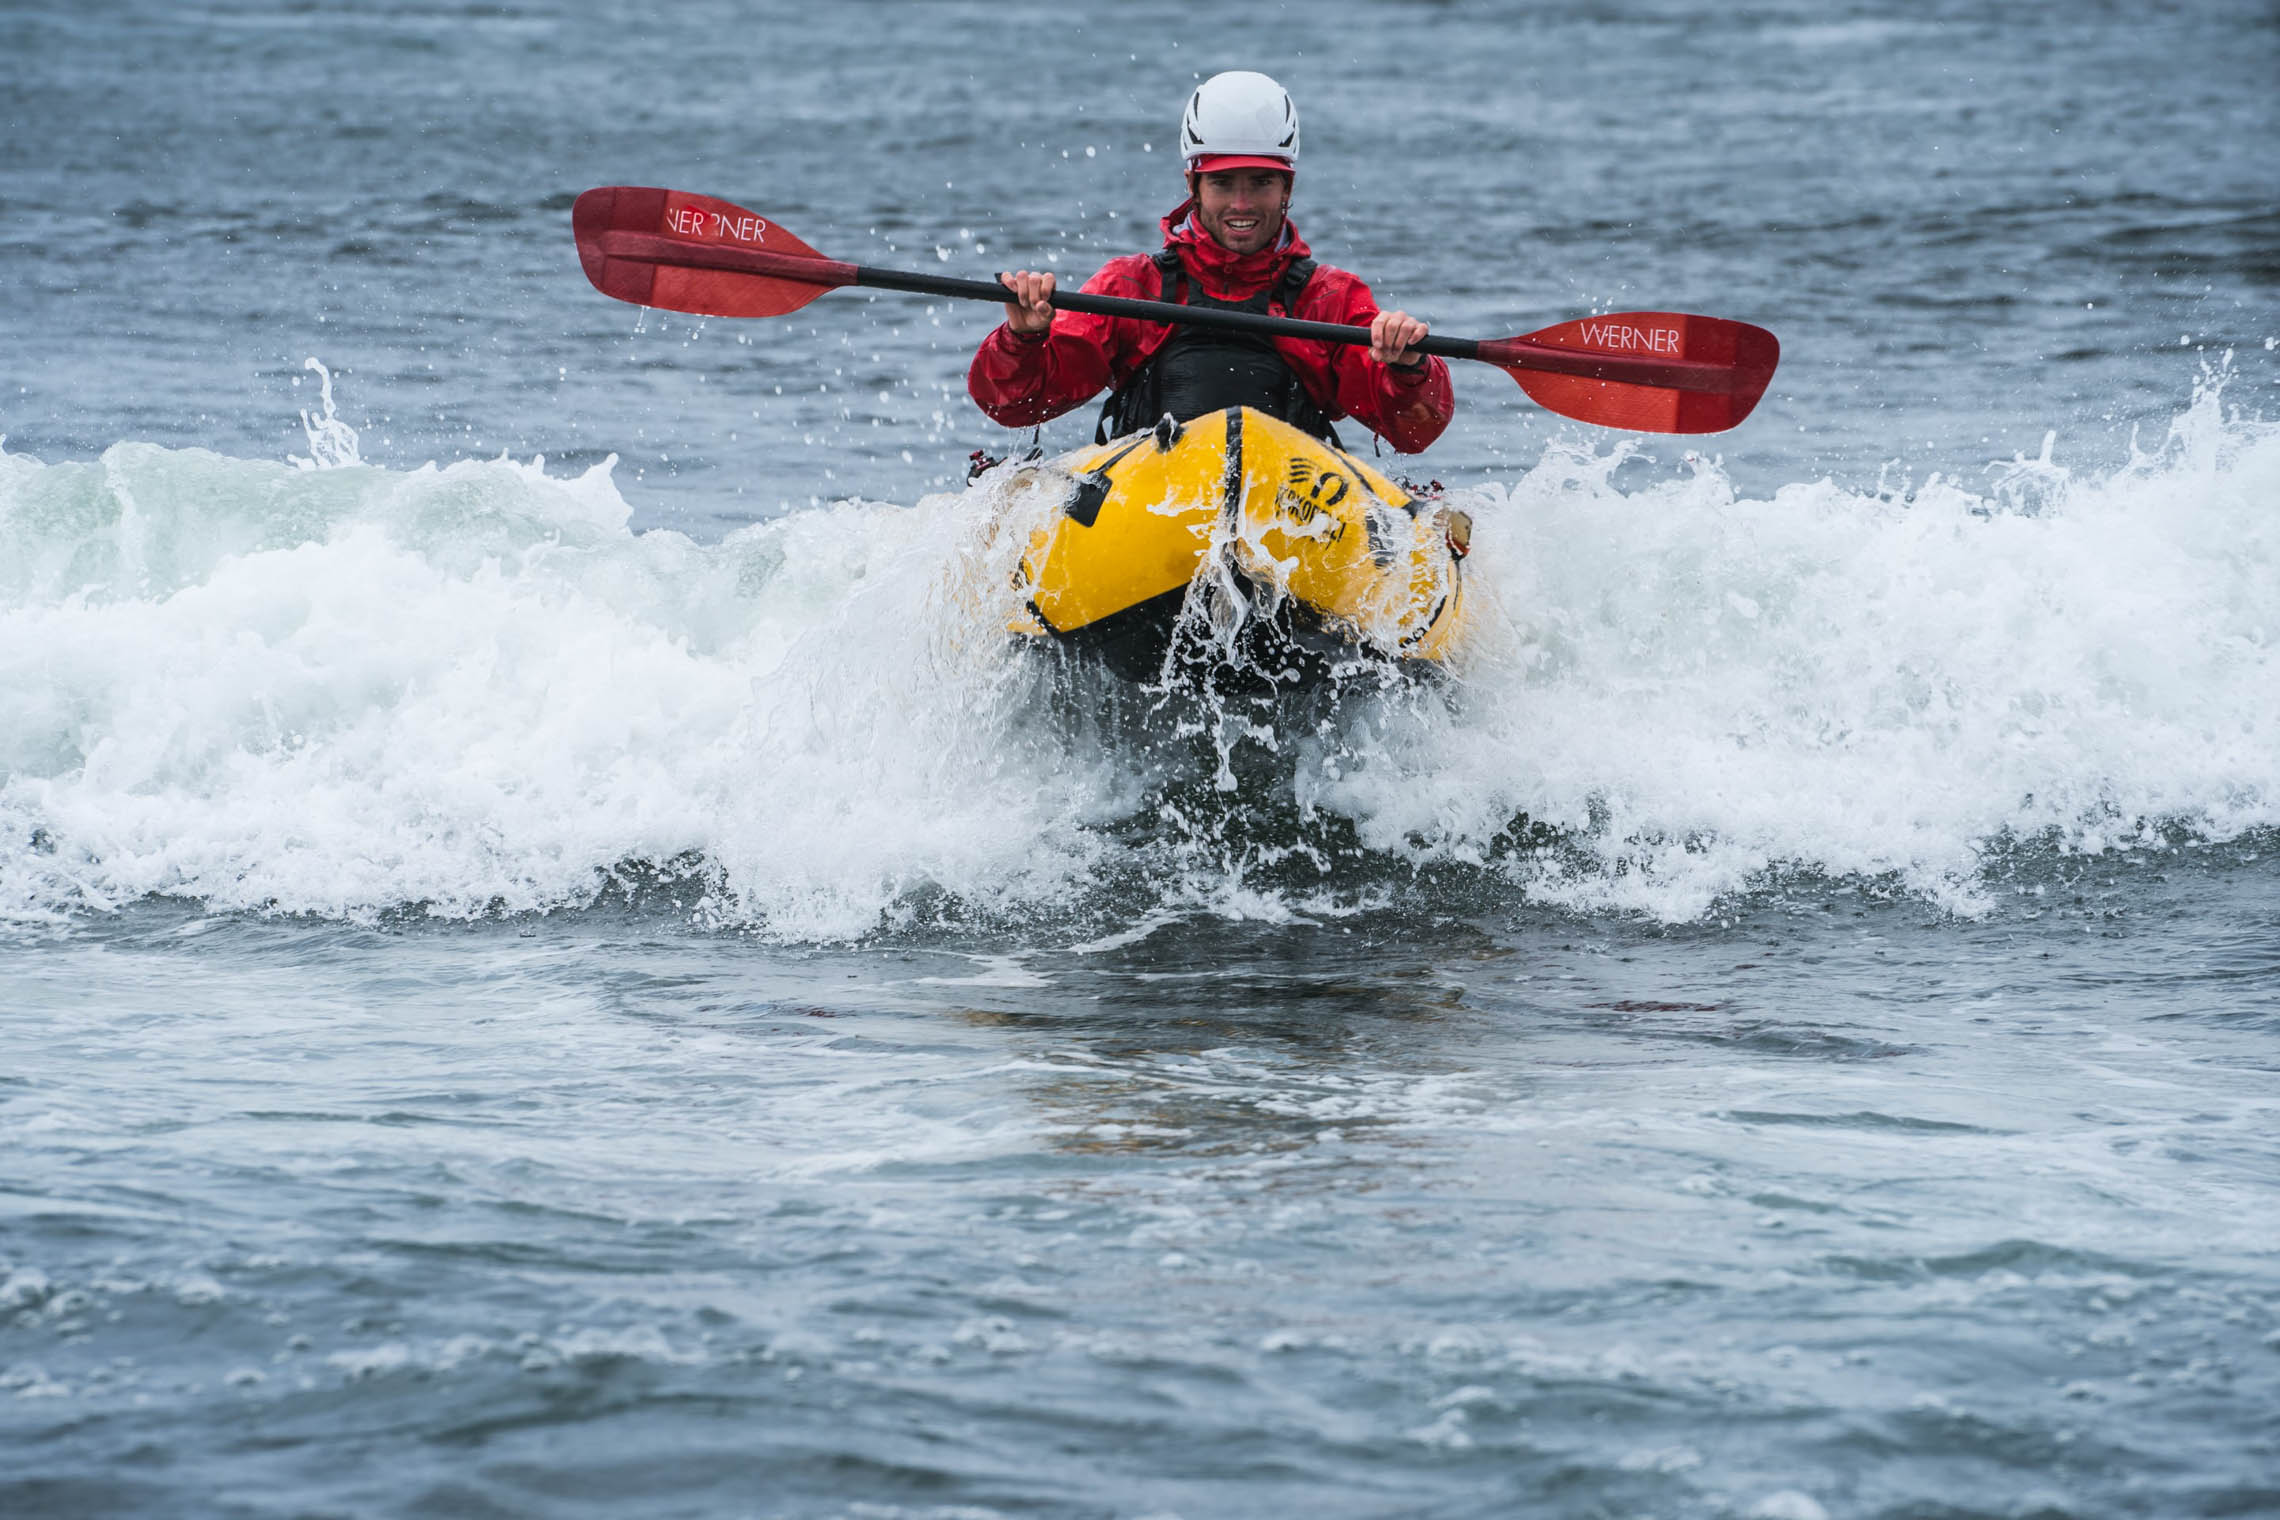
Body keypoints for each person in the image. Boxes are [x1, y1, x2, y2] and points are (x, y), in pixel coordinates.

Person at [967, 71, 1453, 453]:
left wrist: (1408, 365)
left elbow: (1414, 434)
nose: (1241, 204)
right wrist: (1023, 339)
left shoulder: (1328, 298)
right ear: (1193, 186)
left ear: (1288, 188)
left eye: (1260, 183)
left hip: (1287, 514)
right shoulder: (1131, 286)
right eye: (1223, 184)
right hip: (1151, 506)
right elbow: (1014, 405)